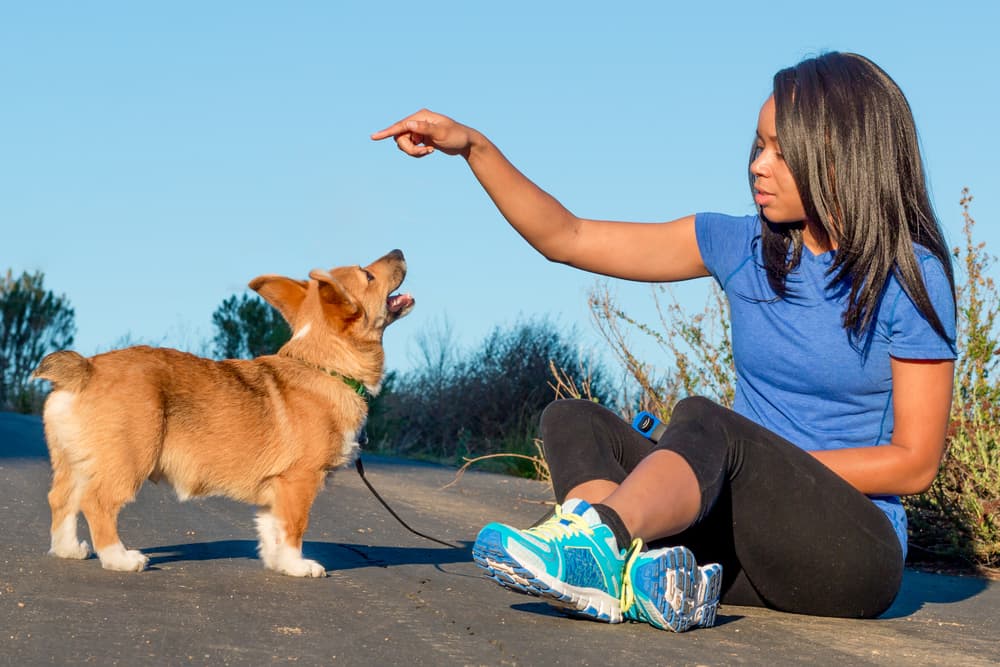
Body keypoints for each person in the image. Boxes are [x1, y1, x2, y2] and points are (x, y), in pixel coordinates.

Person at [371, 51, 956, 632]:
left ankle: (599, 542)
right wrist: (473, 145)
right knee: (574, 419)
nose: (759, 164)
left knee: (706, 422)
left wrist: (742, 466)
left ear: (841, 157)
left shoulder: (909, 275)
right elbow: (567, 236)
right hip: (740, 541)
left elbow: (914, 464)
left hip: (850, 555)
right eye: (759, 145)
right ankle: (631, 574)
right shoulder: (741, 246)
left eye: (782, 151)